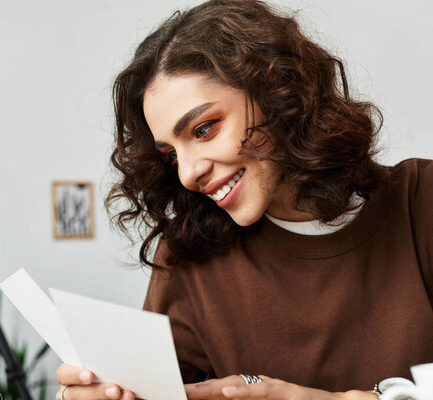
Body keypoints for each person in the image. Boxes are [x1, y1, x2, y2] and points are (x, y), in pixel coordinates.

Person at [55, 0, 433, 399]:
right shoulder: (187, 254)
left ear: (280, 92)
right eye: (171, 153)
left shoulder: (421, 202)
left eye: (203, 130)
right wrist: (83, 394)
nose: (187, 174)